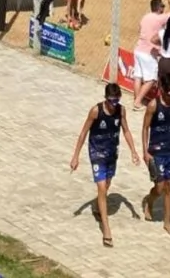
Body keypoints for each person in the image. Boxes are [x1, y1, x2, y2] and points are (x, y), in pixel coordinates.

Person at [70, 83, 140, 248]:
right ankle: (106, 229)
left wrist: (133, 151)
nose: (114, 104)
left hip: (111, 153)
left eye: (117, 100)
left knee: (107, 184)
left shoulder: (121, 111)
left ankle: (97, 204)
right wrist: (75, 156)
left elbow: (126, 131)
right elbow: (83, 133)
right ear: (106, 99)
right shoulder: (96, 111)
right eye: (111, 101)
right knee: (102, 187)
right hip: (97, 153)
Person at [141, 73, 170, 236]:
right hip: (156, 152)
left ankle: (167, 222)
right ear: (161, 89)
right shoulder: (153, 105)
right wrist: (145, 151)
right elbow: (145, 128)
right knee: (160, 187)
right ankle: (150, 201)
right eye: (167, 91)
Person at [133, 0, 170, 109]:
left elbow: (139, 30)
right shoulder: (159, 19)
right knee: (151, 79)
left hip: (138, 49)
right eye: (163, 6)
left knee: (138, 77)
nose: (164, 8)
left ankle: (137, 99)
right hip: (148, 53)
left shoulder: (145, 17)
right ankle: (137, 102)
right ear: (159, 8)